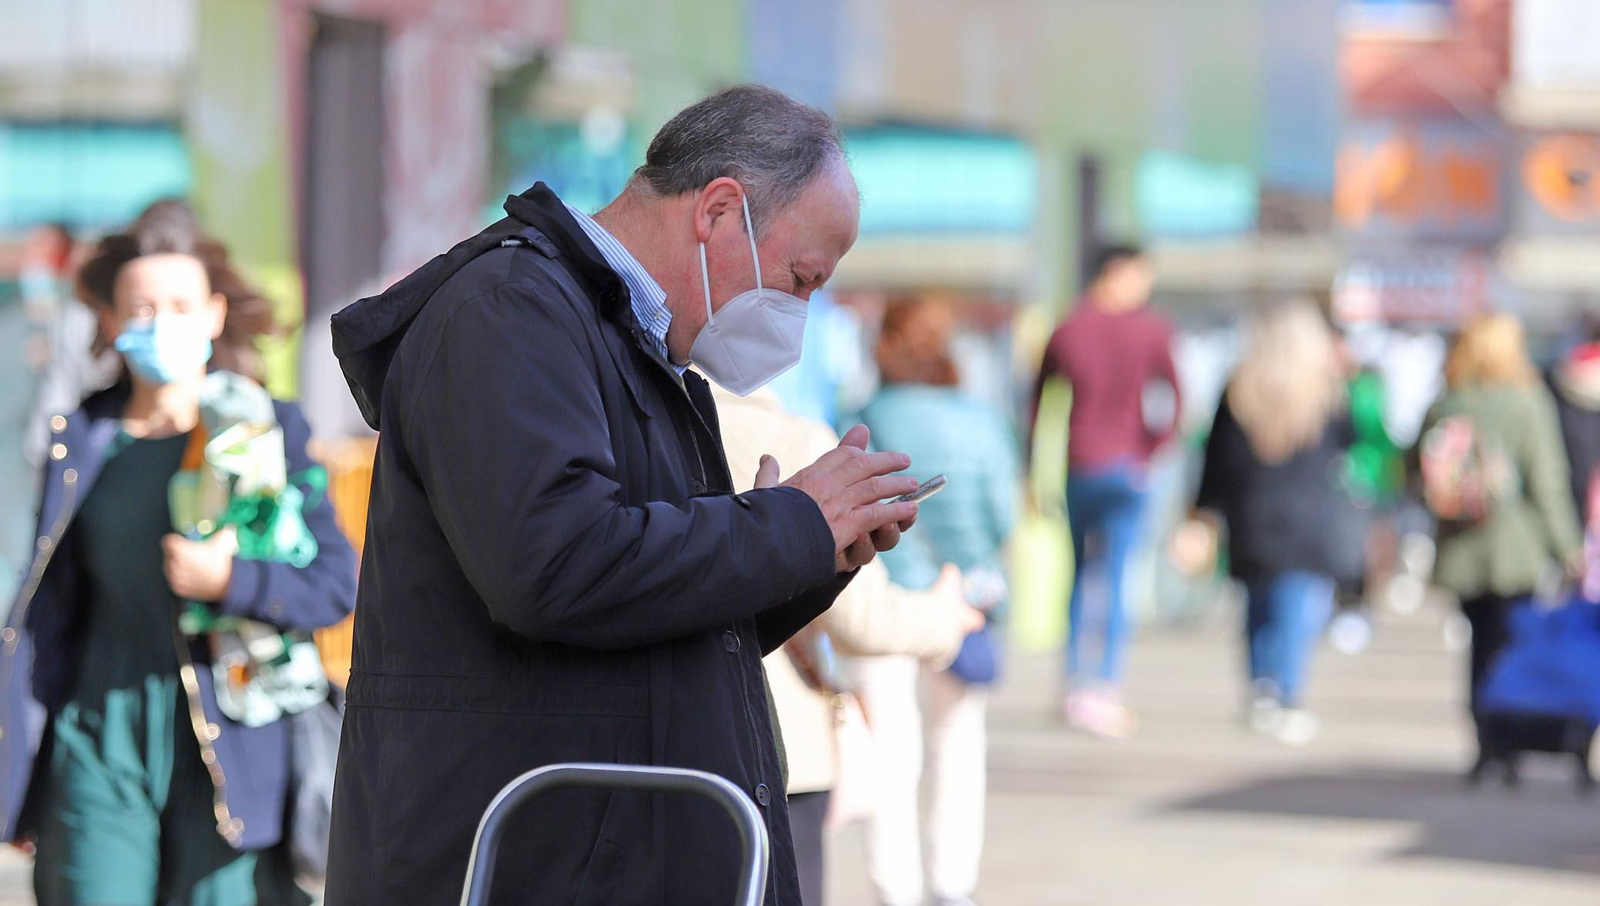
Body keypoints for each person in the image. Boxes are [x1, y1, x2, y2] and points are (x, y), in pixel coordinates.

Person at [325, 85, 923, 905]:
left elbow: (658, 621)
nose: (800, 312)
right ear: (718, 210)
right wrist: (786, 525)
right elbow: (555, 567)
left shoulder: (641, 347)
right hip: (530, 861)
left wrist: (815, 552)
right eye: (799, 277)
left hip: (607, 849)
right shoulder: (512, 311)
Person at [0, 204, 358, 903]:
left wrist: (234, 579)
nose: (159, 323)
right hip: (97, 739)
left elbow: (334, 583)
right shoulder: (81, 442)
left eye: (179, 305)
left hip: (233, 746)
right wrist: (20, 762)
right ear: (109, 320)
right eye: (140, 307)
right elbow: (46, 610)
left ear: (215, 314)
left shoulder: (268, 431)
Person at [712, 380, 983, 906]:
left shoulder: (626, 419)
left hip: (669, 750)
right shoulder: (794, 438)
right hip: (777, 739)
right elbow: (861, 619)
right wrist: (945, 620)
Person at [857, 297, 1018, 906]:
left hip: (886, 597)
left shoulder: (870, 414)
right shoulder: (981, 420)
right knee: (958, 743)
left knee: (891, 753)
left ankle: (894, 891)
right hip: (964, 599)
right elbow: (1003, 516)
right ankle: (953, 886)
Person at [1416, 313, 1582, 774]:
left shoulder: (1448, 402)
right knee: (1512, 644)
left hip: (1462, 548)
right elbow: (1547, 482)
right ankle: (1508, 742)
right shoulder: (1527, 402)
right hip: (1517, 549)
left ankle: (1484, 740)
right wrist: (1568, 548)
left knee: (1478, 644)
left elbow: (1416, 473)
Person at [1032, 243, 1179, 737]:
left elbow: (1036, 403)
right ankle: (1107, 685)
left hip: (1080, 468)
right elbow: (1177, 400)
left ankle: (1074, 683)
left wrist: (1032, 471)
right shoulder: (1152, 330)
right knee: (1118, 579)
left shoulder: (1068, 328)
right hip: (1128, 470)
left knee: (1079, 577)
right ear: (1119, 273)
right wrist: (1151, 449)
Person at [1193, 301, 1353, 745]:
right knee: (1298, 607)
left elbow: (1216, 458)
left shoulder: (1240, 387)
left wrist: (1204, 508)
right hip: (1308, 518)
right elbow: (1350, 446)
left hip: (1251, 514)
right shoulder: (1326, 390)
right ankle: (1286, 692)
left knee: (1258, 605)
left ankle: (1261, 686)